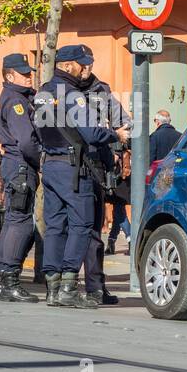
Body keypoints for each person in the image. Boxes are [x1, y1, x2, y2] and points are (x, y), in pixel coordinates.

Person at [32, 45, 124, 309]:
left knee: (55, 227)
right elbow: (92, 133)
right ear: (68, 65)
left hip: (50, 165)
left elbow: (38, 132)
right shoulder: (72, 94)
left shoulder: (43, 93)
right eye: (84, 64)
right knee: (82, 225)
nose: (88, 69)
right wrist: (117, 135)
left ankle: (53, 287)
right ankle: (69, 288)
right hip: (73, 168)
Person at [0, 53, 42, 304]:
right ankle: (9, 282)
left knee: (12, 220)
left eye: (29, 72)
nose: (29, 76)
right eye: (24, 73)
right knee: (20, 223)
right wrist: (40, 160)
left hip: (14, 166)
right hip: (21, 167)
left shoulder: (12, 98)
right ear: (9, 75)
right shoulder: (16, 101)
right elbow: (26, 141)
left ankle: (4, 280)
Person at [83, 67, 131, 303]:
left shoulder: (102, 92)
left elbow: (126, 125)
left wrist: (115, 137)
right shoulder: (63, 93)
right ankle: (65, 285)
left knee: (92, 232)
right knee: (67, 231)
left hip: (96, 170)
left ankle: (94, 287)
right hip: (69, 169)